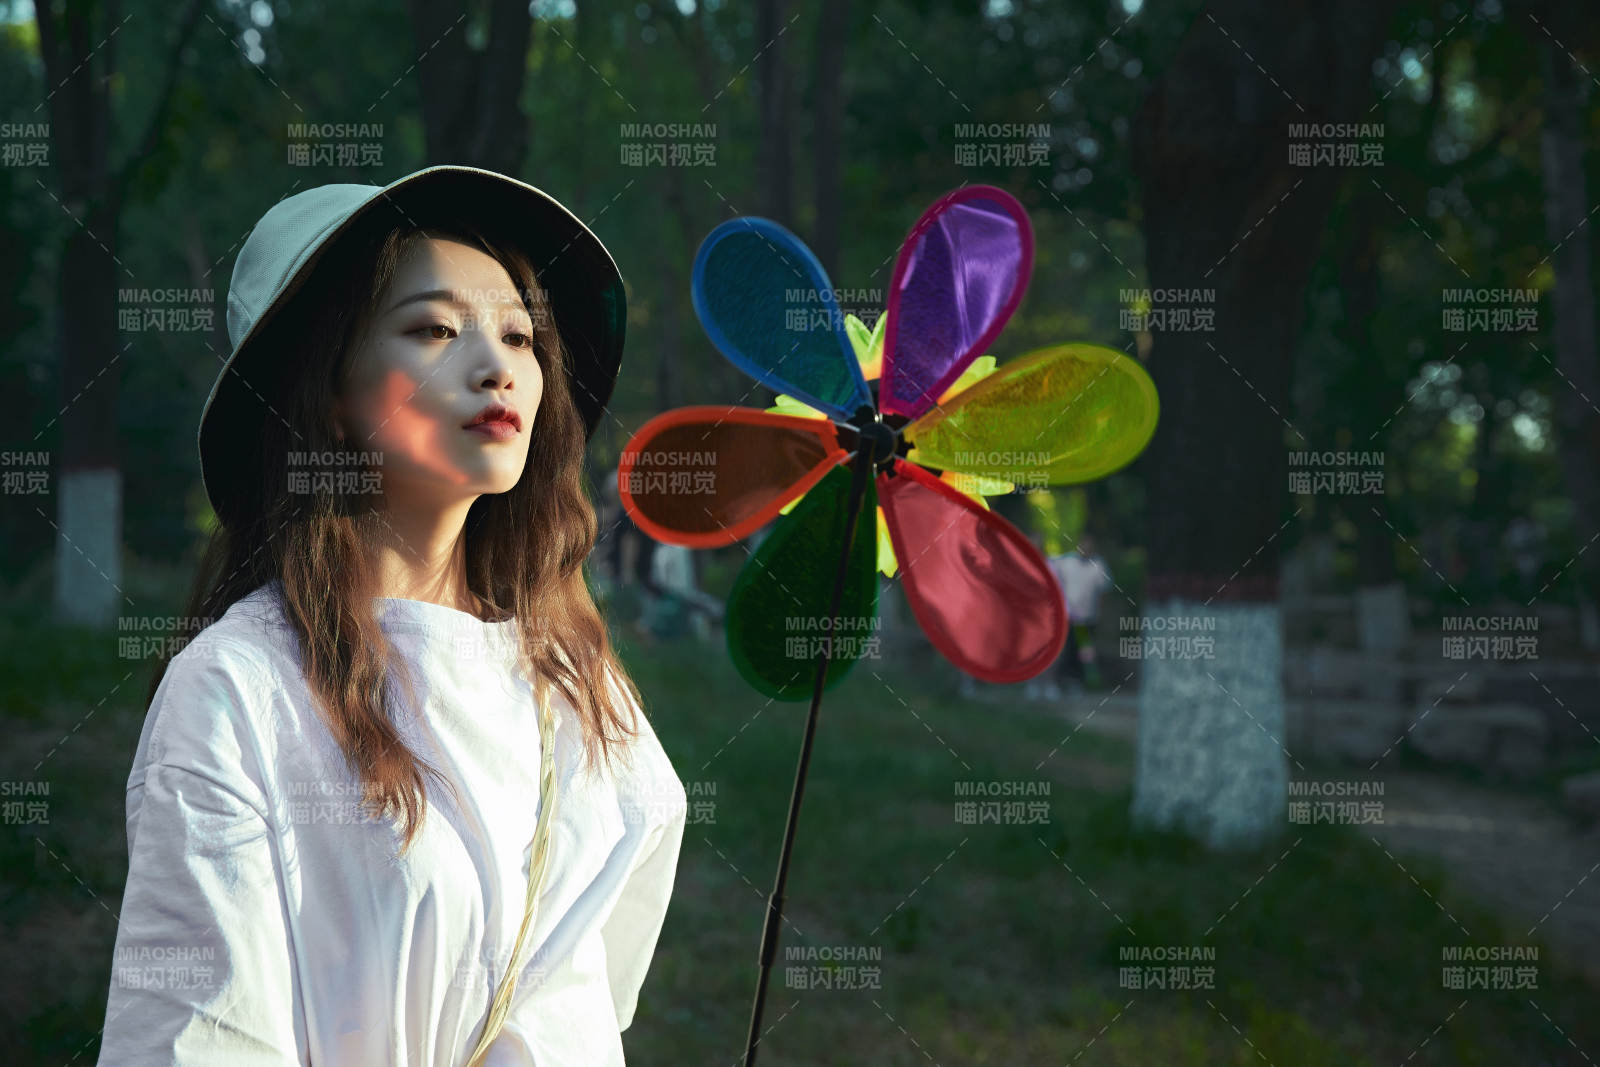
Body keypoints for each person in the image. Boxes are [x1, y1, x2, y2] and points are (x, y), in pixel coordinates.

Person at [96, 166, 687, 1067]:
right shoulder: (238, 688)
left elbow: (598, 982)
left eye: (521, 334)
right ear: (329, 391)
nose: (498, 366)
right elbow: (195, 1039)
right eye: (436, 329)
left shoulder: (574, 675)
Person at [1050, 533, 1112, 691]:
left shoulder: (1099, 565)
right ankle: (1063, 680)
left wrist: (1100, 614)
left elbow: (1103, 591)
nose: (1086, 549)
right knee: (1067, 648)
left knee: (1084, 651)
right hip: (1068, 616)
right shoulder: (1066, 562)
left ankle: (1078, 681)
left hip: (1088, 617)